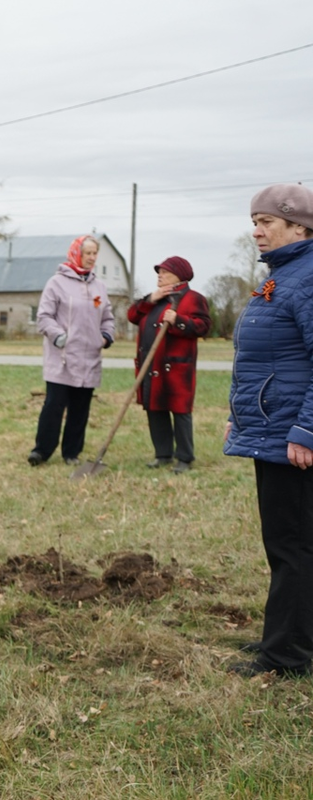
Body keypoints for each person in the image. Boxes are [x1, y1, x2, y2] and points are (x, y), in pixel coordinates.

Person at [224, 183, 313, 678]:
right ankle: (289, 636)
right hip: (274, 429)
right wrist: (241, 414)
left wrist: (306, 429)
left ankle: (285, 657)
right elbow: (264, 360)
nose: (256, 232)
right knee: (291, 544)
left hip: (292, 439)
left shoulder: (306, 279)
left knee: (291, 546)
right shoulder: (285, 275)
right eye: (254, 222)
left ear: (300, 227)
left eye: (267, 223)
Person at [28, 235, 115, 466]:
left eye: (95, 253)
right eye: (87, 253)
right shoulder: (56, 283)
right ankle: (42, 451)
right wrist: (58, 336)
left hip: (89, 359)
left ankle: (71, 453)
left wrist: (105, 337)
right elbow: (44, 317)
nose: (92, 258)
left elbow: (108, 318)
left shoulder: (99, 287)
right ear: (76, 253)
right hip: (63, 358)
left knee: (80, 409)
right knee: (54, 406)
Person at [125, 256, 211, 474]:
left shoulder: (193, 299)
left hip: (175, 367)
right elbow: (132, 316)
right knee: (155, 409)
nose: (160, 276)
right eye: (159, 272)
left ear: (179, 275)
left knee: (180, 411)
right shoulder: (155, 299)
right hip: (150, 364)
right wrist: (149, 299)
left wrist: (179, 320)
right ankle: (162, 454)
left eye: (165, 272)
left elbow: (203, 326)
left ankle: (184, 457)